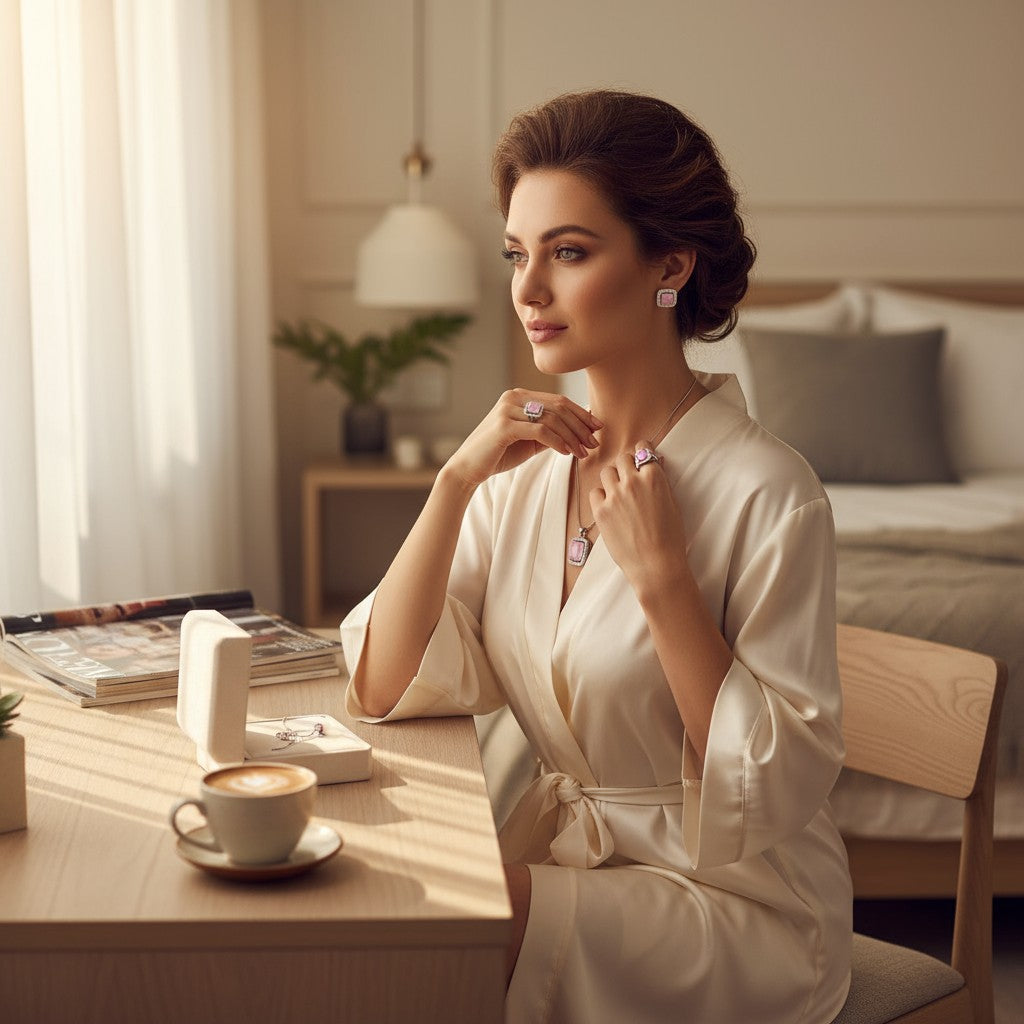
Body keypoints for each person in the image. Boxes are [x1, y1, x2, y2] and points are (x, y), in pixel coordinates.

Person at [341, 89, 852, 1024]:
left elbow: (774, 785)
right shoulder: (523, 479)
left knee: (456, 929)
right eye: (516, 254)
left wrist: (664, 584)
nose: (528, 289)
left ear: (670, 266)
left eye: (568, 252)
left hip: (738, 902)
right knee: (398, 906)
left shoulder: (770, 491)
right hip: (573, 868)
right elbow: (382, 684)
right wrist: (455, 482)